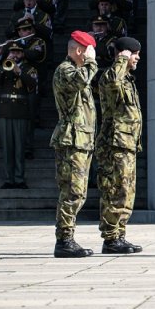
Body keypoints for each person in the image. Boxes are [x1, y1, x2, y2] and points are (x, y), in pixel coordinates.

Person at [51, 31, 99, 258]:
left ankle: (67, 237)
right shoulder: (65, 70)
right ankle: (64, 240)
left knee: (78, 192)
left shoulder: (77, 71)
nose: (92, 55)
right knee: (72, 191)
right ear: (80, 50)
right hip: (71, 140)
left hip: (82, 140)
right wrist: (91, 62)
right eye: (89, 51)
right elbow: (81, 81)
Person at [96, 37, 145, 254]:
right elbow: (112, 84)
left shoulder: (128, 79)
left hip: (127, 144)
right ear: (123, 54)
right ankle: (110, 238)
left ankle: (119, 234)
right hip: (114, 144)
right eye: (134, 54)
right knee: (114, 190)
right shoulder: (110, 76)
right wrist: (121, 61)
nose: (137, 58)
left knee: (126, 191)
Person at [0, 45, 38, 190]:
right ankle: (9, 179)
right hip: (5, 111)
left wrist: (20, 72)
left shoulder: (29, 69)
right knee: (7, 147)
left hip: (20, 111)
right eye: (12, 51)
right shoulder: (4, 66)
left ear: (23, 53)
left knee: (20, 147)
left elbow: (33, 85)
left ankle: (19, 179)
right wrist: (4, 65)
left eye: (18, 51)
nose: (15, 54)